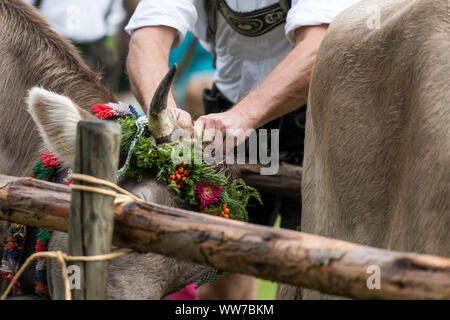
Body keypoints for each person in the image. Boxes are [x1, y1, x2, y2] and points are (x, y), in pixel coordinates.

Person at [125, 0, 359, 300]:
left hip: (317, 123)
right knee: (221, 270)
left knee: (313, 277)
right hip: (228, 121)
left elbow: (319, 46)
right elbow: (146, 38)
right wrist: (166, 116)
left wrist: (243, 117)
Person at [24, 0, 127, 91]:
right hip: (53, 43)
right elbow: (25, 8)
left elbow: (115, 13)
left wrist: (106, 33)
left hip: (93, 45)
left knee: (96, 94)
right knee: (50, 90)